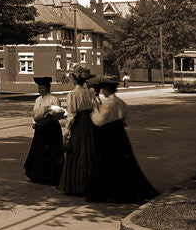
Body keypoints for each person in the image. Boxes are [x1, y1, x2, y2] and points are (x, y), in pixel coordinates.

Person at [84, 76, 158, 203]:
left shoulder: (109, 104)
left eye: (103, 89)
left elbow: (100, 121)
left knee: (105, 163)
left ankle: (107, 193)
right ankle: (124, 191)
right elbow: (124, 119)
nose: (102, 91)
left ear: (107, 90)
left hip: (108, 136)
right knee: (124, 163)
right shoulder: (120, 102)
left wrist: (94, 111)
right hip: (120, 135)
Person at [57, 65, 98, 196]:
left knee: (76, 152)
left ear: (74, 80)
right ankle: (88, 184)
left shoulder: (73, 94)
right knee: (88, 151)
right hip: (89, 124)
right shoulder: (90, 93)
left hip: (78, 125)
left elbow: (72, 115)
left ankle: (76, 185)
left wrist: (67, 130)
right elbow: (96, 108)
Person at [23, 76, 65, 185]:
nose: (40, 90)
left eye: (42, 88)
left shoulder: (53, 99)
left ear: (47, 88)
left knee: (49, 152)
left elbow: (57, 114)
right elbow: (35, 114)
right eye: (39, 88)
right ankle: (37, 175)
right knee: (38, 151)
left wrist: (47, 115)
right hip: (40, 129)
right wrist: (34, 122)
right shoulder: (37, 100)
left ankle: (50, 177)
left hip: (51, 129)